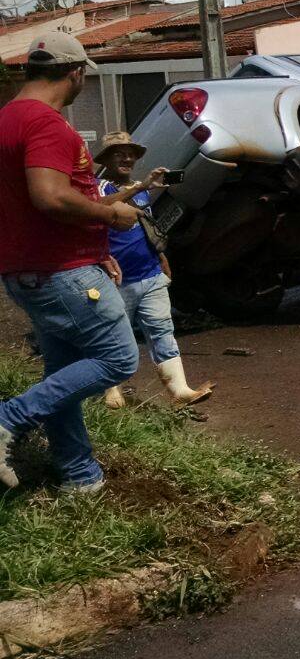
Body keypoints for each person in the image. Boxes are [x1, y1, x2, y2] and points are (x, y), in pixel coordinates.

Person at [0, 31, 142, 493]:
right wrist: (112, 215)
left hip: (31, 268)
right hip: (59, 272)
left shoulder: (6, 119)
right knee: (119, 359)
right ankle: (8, 420)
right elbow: (49, 197)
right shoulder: (46, 124)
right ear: (76, 73)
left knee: (63, 374)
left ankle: (79, 475)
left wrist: (97, 248)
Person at [94, 132, 212, 409]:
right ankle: (111, 392)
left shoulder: (142, 188)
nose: (127, 158)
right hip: (115, 281)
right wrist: (138, 188)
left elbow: (147, 225)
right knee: (113, 335)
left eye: (131, 153)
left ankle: (180, 391)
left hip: (149, 274)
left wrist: (160, 255)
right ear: (107, 159)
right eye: (119, 153)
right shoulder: (99, 187)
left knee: (162, 330)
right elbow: (97, 209)